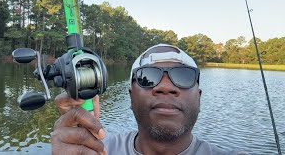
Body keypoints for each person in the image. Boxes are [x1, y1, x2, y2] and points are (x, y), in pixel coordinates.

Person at [51, 44, 248, 155]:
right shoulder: (96, 149)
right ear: (130, 97)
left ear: (200, 97)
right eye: (148, 77)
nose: (165, 87)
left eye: (183, 76)